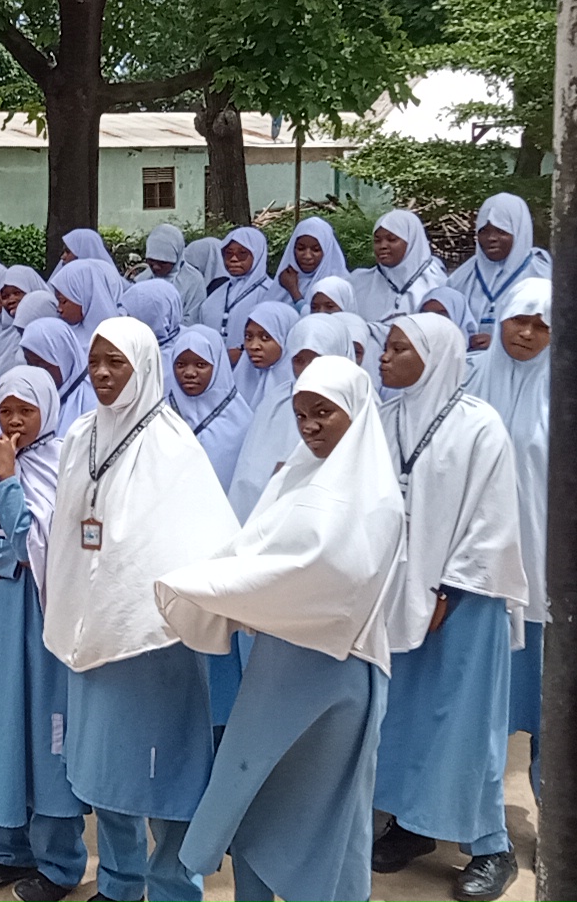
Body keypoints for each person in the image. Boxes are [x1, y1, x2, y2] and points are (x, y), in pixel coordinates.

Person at [155, 355, 404, 902]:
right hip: (275, 669)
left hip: (333, 677)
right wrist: (215, 584)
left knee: (323, 813)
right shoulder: (294, 475)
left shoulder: (378, 498)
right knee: (257, 794)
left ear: (356, 415)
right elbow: (253, 549)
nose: (310, 426)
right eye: (301, 414)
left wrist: (231, 591)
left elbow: (331, 577)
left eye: (324, 413)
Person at [44, 317, 227, 902]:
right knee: (104, 772)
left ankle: (175, 887)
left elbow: (206, 541)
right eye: (94, 360)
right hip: (91, 632)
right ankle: (121, 883)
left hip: (154, 640)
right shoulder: (80, 436)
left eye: (114, 362)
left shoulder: (172, 446)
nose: (100, 373)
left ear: (142, 366)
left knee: (165, 777)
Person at [370, 315, 529, 901]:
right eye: (384, 347)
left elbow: (493, 522)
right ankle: (412, 824)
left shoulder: (479, 427)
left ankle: (492, 846)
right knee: (403, 717)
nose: (383, 358)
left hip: (463, 600)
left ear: (435, 356)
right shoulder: (384, 420)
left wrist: (448, 590)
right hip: (393, 597)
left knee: (464, 725)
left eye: (397, 348)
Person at [0, 367, 89, 902]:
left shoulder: (65, 465)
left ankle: (59, 863)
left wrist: (9, 487)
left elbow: (50, 540)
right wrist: (16, 554)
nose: (12, 421)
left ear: (47, 411)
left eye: (24, 411)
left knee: (47, 732)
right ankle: (5, 851)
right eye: (5, 410)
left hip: (45, 621)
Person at [465, 279, 553, 783]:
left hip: (541, 566)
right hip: (475, 567)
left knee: (549, 704)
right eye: (519, 320)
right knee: (475, 703)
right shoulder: (470, 377)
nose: (527, 333)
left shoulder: (570, 392)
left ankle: (554, 815)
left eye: (542, 326)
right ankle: (473, 822)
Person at [227, 315, 354, 521]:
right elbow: (249, 474)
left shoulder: (358, 403)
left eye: (317, 359)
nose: (307, 369)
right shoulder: (277, 400)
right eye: (298, 360)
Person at [447, 194, 552, 348]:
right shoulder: (461, 278)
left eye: (502, 232)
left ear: (519, 232)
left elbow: (549, 332)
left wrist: (500, 343)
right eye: (484, 231)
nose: (491, 238)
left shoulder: (543, 277)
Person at [165, 326, 252, 490]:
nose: (189, 373)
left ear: (218, 365)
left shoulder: (241, 422)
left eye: (201, 364)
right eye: (181, 364)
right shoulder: (160, 417)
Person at [349, 210, 446, 324]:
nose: (383, 246)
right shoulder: (359, 283)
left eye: (392, 239)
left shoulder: (437, 285)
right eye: (377, 241)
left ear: (412, 241)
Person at [198, 226, 284, 353]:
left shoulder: (272, 293)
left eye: (242, 253)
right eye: (228, 253)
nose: (233, 259)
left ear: (257, 254)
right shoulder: (214, 297)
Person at [136, 224, 208, 324]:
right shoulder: (142, 280)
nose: (156, 267)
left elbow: (192, 319)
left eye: (163, 262)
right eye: (151, 261)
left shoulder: (193, 281)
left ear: (176, 259)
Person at [276, 216, 350, 313]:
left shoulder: (340, 284)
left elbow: (322, 321)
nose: (307, 256)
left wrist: (294, 292)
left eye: (316, 250)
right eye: (301, 249)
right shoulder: (285, 280)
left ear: (327, 251)